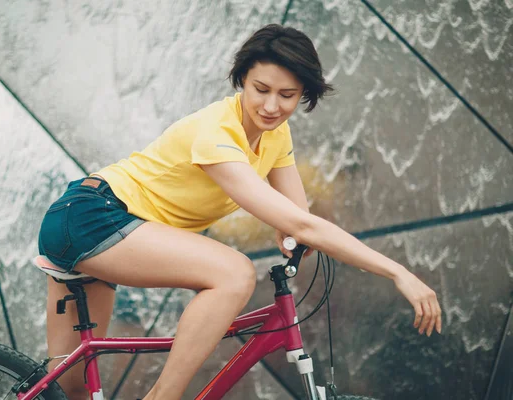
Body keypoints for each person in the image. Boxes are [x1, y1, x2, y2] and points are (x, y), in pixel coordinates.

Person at [37, 24, 442, 400]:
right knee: (234, 272)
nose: (270, 106)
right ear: (241, 81)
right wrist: (398, 272)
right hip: (93, 216)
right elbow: (302, 222)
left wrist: (291, 238)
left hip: (100, 225)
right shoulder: (217, 133)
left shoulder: (275, 134)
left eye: (286, 95)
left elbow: (295, 219)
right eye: (260, 89)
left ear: (303, 94)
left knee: (67, 392)